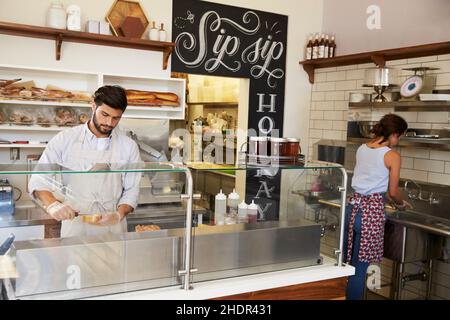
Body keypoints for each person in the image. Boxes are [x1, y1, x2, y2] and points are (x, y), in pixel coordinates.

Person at [29, 85, 142, 237]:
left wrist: (119, 214)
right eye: (105, 114)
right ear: (93, 106)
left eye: (116, 118)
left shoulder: (128, 146)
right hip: (75, 224)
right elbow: (39, 179)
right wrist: (53, 205)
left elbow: (132, 189)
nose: (109, 122)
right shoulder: (64, 139)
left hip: (113, 228)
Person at [344, 114, 411, 300]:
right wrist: (400, 203)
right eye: (400, 137)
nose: (398, 141)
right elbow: (392, 191)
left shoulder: (362, 148)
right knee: (360, 267)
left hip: (353, 208)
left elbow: (368, 179)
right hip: (371, 213)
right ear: (395, 134)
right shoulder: (392, 155)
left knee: (347, 264)